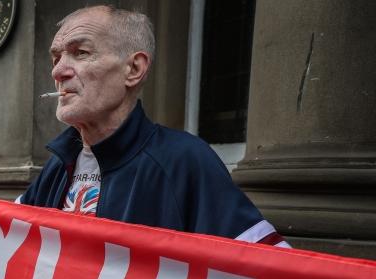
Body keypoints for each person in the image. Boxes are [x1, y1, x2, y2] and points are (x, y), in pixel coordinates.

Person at [20, 5, 287, 246]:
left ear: (134, 69)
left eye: (81, 53)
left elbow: (269, 268)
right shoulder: (59, 163)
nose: (57, 72)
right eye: (56, 58)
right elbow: (10, 240)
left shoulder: (184, 161)